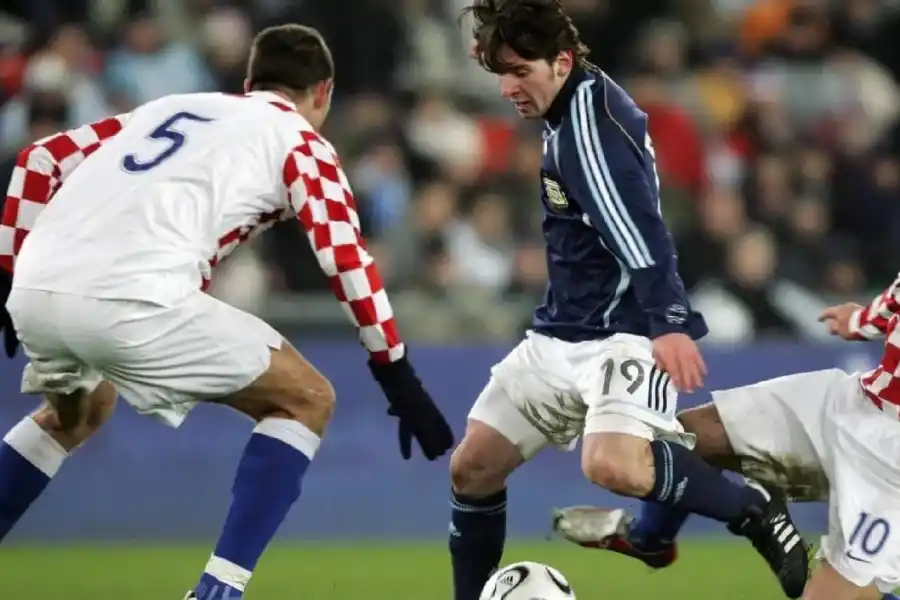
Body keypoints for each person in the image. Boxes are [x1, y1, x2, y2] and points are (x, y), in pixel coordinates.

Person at [0, 23, 453, 600]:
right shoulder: (299, 140)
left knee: (75, 413)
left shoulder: (171, 107)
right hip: (131, 298)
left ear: (248, 83)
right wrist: (396, 373)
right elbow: (344, 258)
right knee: (306, 398)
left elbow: (40, 158)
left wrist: (9, 276)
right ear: (324, 93)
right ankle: (219, 591)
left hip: (37, 286)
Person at [447, 2, 808, 599]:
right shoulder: (572, 95)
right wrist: (496, 35)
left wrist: (669, 321)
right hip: (562, 330)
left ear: (562, 62)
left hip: (622, 333)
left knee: (611, 464)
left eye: (519, 72)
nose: (508, 88)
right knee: (473, 467)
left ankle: (752, 507)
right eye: (500, 72)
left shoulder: (588, 130)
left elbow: (640, 228)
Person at [554, 274, 900, 600]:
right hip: (853, 399)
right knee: (689, 438)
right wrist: (862, 321)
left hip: (890, 463)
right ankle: (651, 540)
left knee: (839, 593)